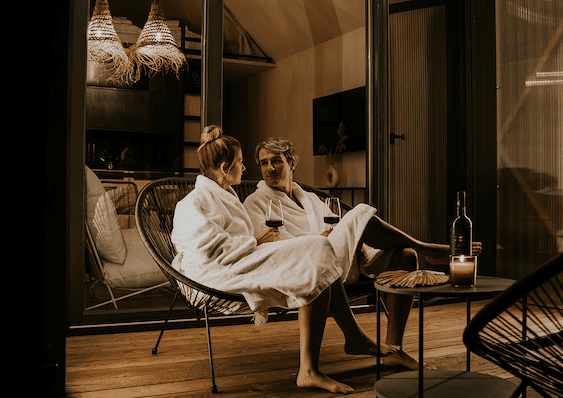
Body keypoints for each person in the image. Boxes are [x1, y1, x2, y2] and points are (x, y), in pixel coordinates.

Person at [244, 136, 482, 371]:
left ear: (292, 163)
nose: (270, 168)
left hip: (339, 260)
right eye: (264, 163)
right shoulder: (256, 202)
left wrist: (347, 241)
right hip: (306, 268)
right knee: (359, 212)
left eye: (276, 161)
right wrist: (319, 239)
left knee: (406, 256)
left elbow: (333, 228)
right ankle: (429, 249)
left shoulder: (310, 198)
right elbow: (271, 249)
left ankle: (394, 350)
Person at [171, 126, 354, 394]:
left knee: (316, 252)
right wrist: (255, 241)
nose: (245, 168)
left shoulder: (224, 194)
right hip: (216, 271)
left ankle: (318, 363)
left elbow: (229, 240)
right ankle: (321, 362)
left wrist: (255, 242)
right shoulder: (193, 202)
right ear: (225, 167)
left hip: (240, 259)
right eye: (241, 161)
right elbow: (209, 248)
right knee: (315, 248)